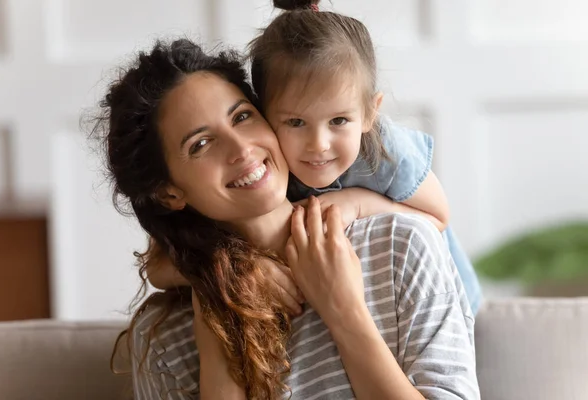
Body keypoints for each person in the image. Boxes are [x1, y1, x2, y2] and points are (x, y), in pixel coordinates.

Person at [95, 38, 479, 399]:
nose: (241, 148)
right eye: (201, 143)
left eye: (242, 116)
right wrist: (218, 327)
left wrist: (345, 312)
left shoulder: (401, 245)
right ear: (169, 192)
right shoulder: (163, 338)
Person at [150, 0, 483, 314]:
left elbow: (437, 219)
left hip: (446, 298)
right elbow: (158, 269)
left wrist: (358, 204)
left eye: (338, 121)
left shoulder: (384, 152)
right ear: (264, 114)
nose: (319, 144)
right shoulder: (264, 168)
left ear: (370, 113)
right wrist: (233, 267)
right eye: (295, 122)